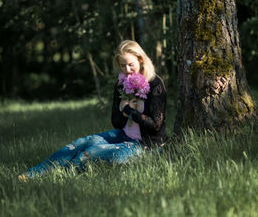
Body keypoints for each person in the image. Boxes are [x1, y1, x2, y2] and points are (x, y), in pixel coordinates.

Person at [18, 40, 167, 180]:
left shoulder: (155, 84)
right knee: (82, 143)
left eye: (130, 64)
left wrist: (130, 111)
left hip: (146, 145)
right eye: (122, 65)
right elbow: (115, 122)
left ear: (141, 60)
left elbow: (155, 125)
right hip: (123, 135)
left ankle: (59, 177)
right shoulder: (121, 84)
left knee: (90, 152)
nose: (127, 70)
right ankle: (32, 174)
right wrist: (124, 111)